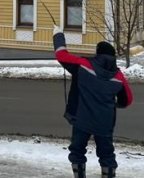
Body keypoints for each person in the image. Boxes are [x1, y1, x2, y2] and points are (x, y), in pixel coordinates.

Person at [53, 26, 133, 178]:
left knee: (77, 151)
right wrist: (115, 104)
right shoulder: (118, 76)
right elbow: (127, 100)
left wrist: (58, 34)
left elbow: (61, 55)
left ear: (98, 53)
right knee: (107, 155)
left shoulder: (84, 65)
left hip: (81, 120)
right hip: (104, 123)